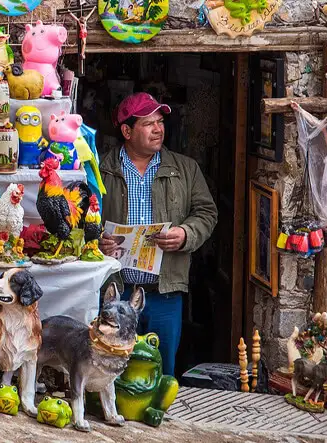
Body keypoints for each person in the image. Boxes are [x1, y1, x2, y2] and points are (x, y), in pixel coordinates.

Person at [98, 92, 218, 376]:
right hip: (115, 291)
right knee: (110, 367)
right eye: (148, 123)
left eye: (160, 122)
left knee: (160, 370)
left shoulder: (185, 169)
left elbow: (207, 213)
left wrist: (185, 234)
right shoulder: (101, 169)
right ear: (126, 131)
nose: (158, 129)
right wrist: (97, 242)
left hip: (164, 293)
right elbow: (81, 219)